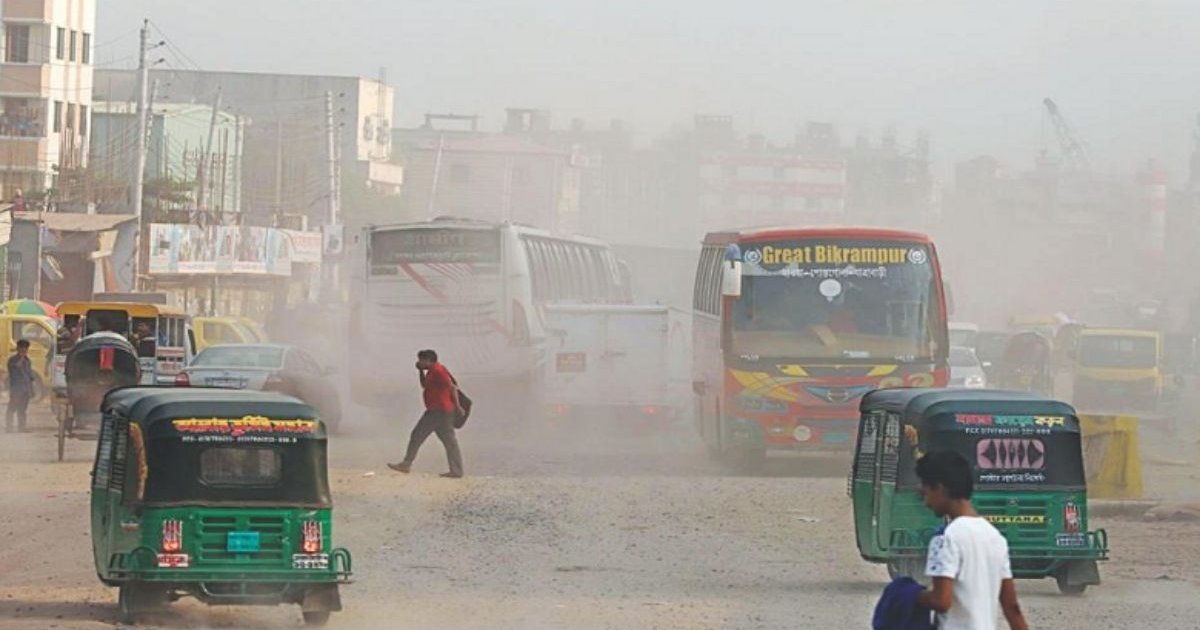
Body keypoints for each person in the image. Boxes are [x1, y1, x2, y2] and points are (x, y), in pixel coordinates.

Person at [915, 450, 1028, 630]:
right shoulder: (996, 538)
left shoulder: (946, 538)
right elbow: (1012, 608)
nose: (926, 503)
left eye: (925, 493)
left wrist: (908, 594)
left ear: (940, 488)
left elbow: (941, 601)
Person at [387, 349, 465, 478]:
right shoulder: (432, 371)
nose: (419, 362)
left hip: (439, 411)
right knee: (449, 441)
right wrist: (420, 372)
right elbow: (424, 385)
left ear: (428, 360)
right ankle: (456, 471)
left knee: (417, 435)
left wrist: (458, 406)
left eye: (421, 360)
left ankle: (406, 464)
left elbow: (452, 387)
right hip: (439, 410)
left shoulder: (438, 371)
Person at [6, 339, 36, 432]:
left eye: (25, 348)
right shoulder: (12, 360)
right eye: (22, 348)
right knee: (12, 408)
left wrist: (32, 389)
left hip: (25, 389)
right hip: (16, 388)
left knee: (22, 409)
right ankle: (9, 426)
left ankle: (22, 427)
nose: (24, 350)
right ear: (18, 348)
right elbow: (15, 368)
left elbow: (30, 376)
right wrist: (21, 358)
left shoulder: (28, 361)